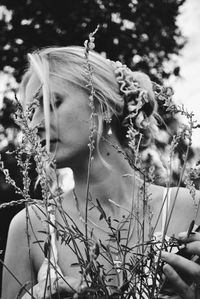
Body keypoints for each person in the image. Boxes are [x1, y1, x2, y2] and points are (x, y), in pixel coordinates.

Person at [1, 45, 200, 299]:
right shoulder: (30, 227)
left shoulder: (188, 207)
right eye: (32, 112)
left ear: (102, 105)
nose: (36, 124)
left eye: (52, 103)